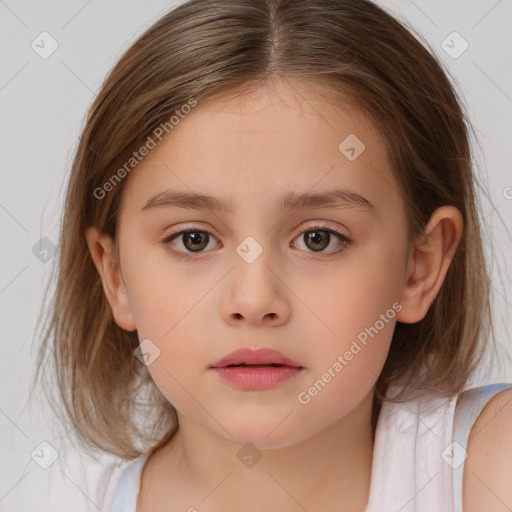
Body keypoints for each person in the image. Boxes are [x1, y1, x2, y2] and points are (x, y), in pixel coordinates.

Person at [31, 0, 512, 511]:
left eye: (318, 239)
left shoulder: (488, 467)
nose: (254, 300)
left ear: (420, 267)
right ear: (115, 277)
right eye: (193, 239)